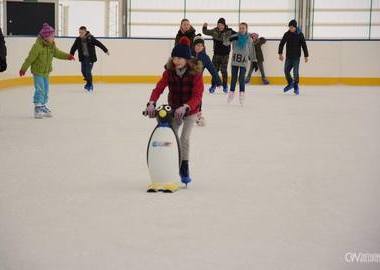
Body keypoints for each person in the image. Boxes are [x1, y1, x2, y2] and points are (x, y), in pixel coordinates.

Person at [145, 37, 204, 185]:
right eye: (174, 57)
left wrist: (186, 106)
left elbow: (197, 95)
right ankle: (171, 164)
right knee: (171, 135)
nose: (176, 61)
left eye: (179, 58)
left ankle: (184, 167)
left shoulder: (195, 73)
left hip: (190, 110)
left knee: (184, 138)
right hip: (174, 109)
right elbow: (159, 88)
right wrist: (151, 102)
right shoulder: (169, 72)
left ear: (187, 59)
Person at [19, 23, 75, 119]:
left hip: (46, 72)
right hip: (38, 72)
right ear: (45, 37)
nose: (53, 37)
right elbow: (30, 58)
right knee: (40, 89)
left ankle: (43, 105)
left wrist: (67, 56)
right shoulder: (37, 46)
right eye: (52, 36)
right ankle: (37, 107)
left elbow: (57, 53)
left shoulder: (51, 46)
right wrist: (24, 68)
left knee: (46, 89)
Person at [192, 35, 222, 126]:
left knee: (198, 98)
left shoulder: (205, 57)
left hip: (197, 82)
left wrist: (218, 80)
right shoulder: (188, 54)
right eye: (197, 45)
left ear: (203, 47)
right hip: (187, 80)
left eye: (201, 45)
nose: (199, 47)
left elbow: (212, 69)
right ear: (193, 46)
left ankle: (198, 114)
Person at [70, 26, 109, 92]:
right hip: (83, 58)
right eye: (79, 33)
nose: (80, 34)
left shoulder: (91, 38)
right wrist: (71, 55)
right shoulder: (78, 39)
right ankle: (88, 82)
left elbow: (99, 44)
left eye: (82, 33)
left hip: (90, 58)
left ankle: (90, 85)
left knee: (88, 72)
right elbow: (74, 47)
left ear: (85, 32)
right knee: (83, 71)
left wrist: (106, 50)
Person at [202, 18, 236, 93]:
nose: (220, 26)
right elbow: (205, 32)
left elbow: (238, 35)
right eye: (219, 25)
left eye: (221, 25)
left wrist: (248, 36)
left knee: (223, 71)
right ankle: (213, 85)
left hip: (225, 55)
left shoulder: (229, 31)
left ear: (224, 25)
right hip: (216, 54)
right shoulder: (214, 31)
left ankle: (225, 86)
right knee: (214, 71)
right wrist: (204, 27)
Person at [227, 23, 256, 106]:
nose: (241, 29)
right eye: (240, 28)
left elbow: (251, 50)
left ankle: (242, 94)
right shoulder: (235, 36)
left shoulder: (249, 39)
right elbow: (226, 42)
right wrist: (229, 37)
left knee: (241, 78)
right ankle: (231, 93)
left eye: (243, 28)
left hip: (244, 61)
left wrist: (254, 60)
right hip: (235, 60)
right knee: (234, 77)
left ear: (246, 29)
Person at [278, 19, 309, 95]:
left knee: (295, 72)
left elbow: (304, 45)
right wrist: (280, 54)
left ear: (295, 27)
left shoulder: (300, 34)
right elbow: (281, 43)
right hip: (288, 57)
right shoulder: (287, 34)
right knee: (286, 70)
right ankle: (290, 83)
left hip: (296, 58)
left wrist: (306, 56)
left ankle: (296, 87)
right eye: (289, 27)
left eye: (292, 27)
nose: (290, 29)